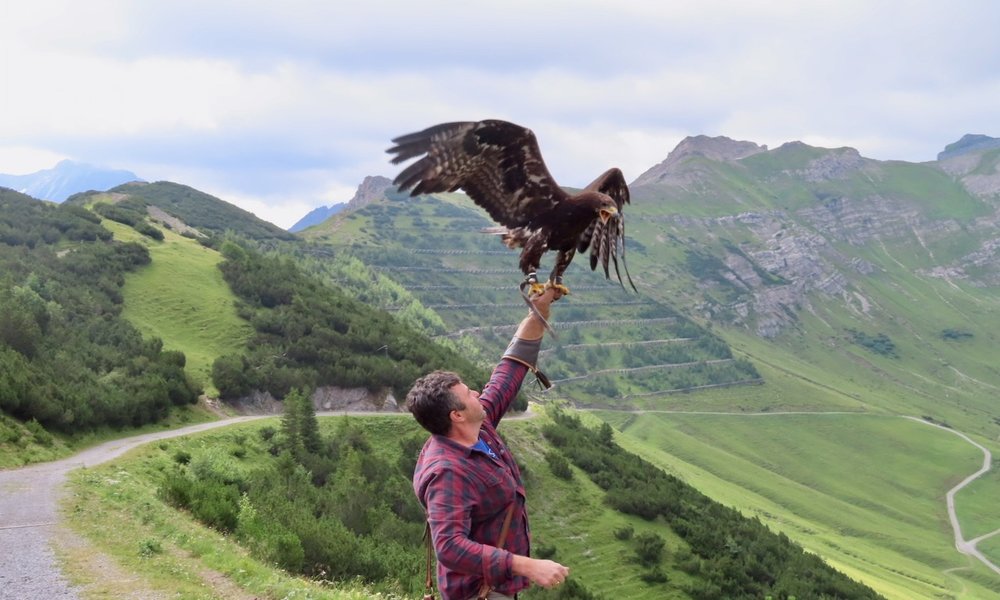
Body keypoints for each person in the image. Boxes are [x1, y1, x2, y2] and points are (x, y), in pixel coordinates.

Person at [406, 287, 570, 600]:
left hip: (497, 588)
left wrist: (538, 312)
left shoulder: (478, 429)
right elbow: (449, 547)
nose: (478, 394)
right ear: (456, 415)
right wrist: (526, 565)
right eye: (469, 394)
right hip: (477, 594)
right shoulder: (448, 471)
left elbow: (509, 370)